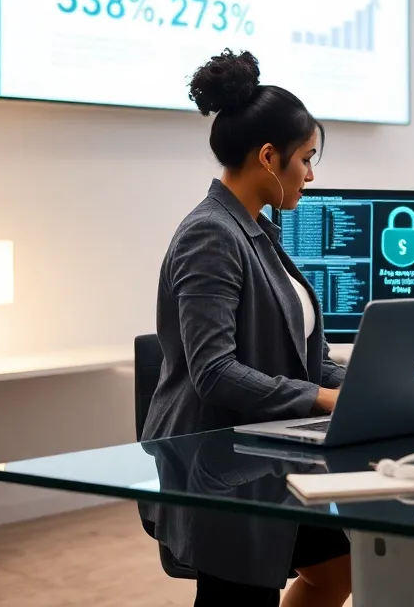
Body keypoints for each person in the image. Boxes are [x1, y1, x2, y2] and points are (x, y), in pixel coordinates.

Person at [140, 49, 352, 607]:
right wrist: (325, 398)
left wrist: (363, 383)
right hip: (219, 466)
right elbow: (214, 374)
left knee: (339, 569)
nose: (311, 173)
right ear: (267, 156)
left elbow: (297, 354)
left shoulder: (257, 229)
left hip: (266, 448)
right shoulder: (211, 235)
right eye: (306, 159)